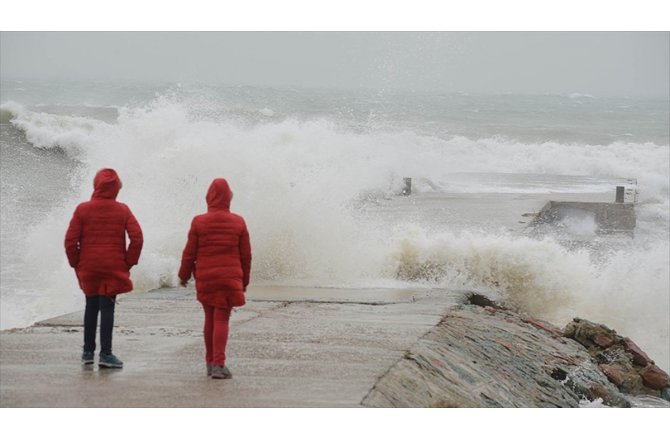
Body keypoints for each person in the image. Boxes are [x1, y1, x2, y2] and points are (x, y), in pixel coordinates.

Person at [64, 168, 143, 368]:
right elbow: (137, 238)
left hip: (89, 266)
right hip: (113, 266)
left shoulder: (82, 209)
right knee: (107, 308)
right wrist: (129, 262)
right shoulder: (123, 209)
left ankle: (87, 352)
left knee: (90, 306)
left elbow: (70, 241)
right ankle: (106, 354)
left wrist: (76, 263)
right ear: (116, 188)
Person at [178, 178, 251, 379]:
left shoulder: (199, 221)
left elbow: (189, 253)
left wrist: (183, 275)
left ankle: (211, 363)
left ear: (209, 197)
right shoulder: (238, 221)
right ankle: (219, 363)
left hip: (206, 278)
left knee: (209, 318)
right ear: (229, 198)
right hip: (229, 279)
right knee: (221, 318)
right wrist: (244, 281)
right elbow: (246, 256)